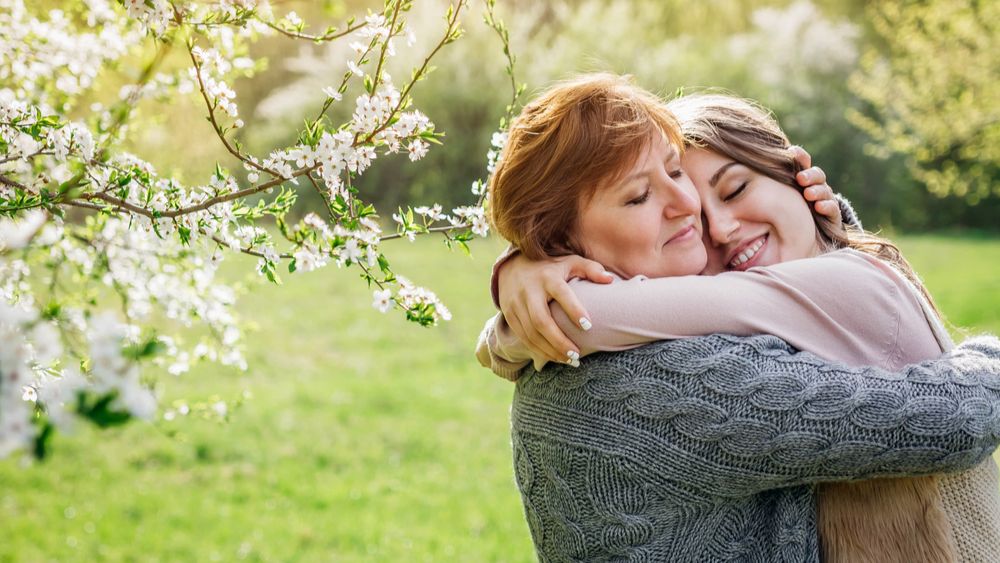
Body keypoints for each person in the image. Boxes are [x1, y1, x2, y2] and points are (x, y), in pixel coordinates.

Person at [476, 73, 1000, 562]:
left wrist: (519, 282)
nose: (686, 205)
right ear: (562, 244)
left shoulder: (615, 336)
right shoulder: (666, 376)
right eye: (639, 196)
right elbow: (946, 419)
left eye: (675, 172)